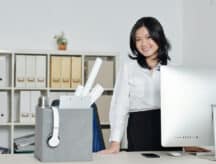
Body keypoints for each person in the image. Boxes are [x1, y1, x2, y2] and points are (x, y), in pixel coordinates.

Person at [99, 17, 208, 154]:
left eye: (148, 37)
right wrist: (115, 143)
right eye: (138, 39)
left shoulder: (172, 70)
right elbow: (119, 106)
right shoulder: (128, 68)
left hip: (167, 129)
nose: (143, 43)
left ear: (158, 37)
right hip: (139, 127)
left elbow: (182, 109)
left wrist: (186, 142)